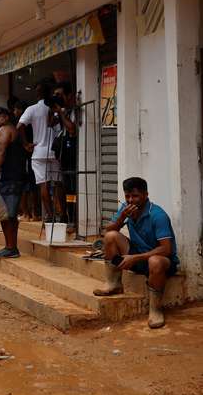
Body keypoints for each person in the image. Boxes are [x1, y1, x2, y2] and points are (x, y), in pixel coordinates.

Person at [94, 177, 180, 329]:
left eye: (135, 196)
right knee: (110, 236)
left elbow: (167, 249)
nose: (130, 200)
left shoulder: (158, 215)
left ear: (145, 195)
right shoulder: (126, 209)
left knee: (155, 261)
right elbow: (108, 230)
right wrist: (122, 218)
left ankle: (155, 309)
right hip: (138, 256)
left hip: (162, 262)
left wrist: (135, 257)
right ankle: (114, 284)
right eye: (127, 196)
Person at [17, 82, 66, 222]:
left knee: (43, 184)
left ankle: (50, 216)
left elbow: (19, 126)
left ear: (37, 94)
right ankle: (63, 215)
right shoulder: (56, 107)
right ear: (50, 91)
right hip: (55, 151)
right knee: (58, 183)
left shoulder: (32, 109)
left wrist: (26, 144)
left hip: (38, 152)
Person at [0, 107, 27, 258]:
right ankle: (10, 246)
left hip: (8, 177)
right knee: (8, 214)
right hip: (11, 177)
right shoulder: (8, 130)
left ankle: (11, 247)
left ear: (5, 116)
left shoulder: (5, 130)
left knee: (7, 214)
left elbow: (2, 152)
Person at [51, 82, 78, 225]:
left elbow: (72, 129)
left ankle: (73, 219)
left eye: (59, 95)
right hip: (64, 155)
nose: (57, 98)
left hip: (73, 154)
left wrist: (61, 112)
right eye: (55, 95)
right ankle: (68, 216)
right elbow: (50, 123)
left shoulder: (74, 110)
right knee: (67, 188)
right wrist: (55, 110)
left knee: (73, 189)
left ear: (69, 96)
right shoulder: (63, 111)